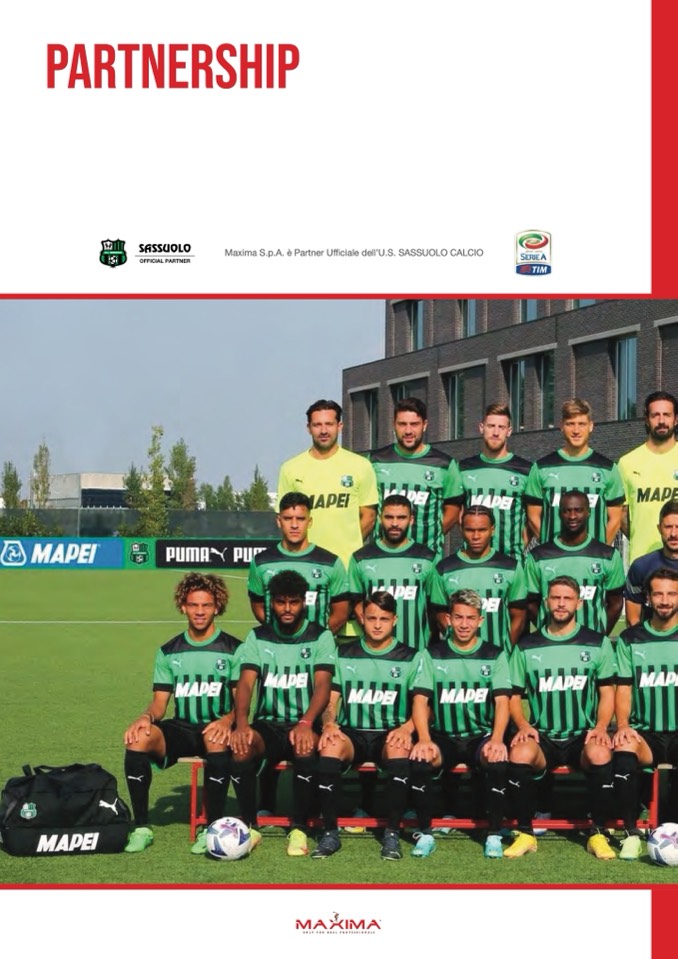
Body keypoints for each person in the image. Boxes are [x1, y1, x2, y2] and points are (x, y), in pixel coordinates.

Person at [122, 572, 247, 854]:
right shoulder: (168, 651)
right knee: (138, 739)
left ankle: (211, 828)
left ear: (217, 607)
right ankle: (141, 827)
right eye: (193, 605)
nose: (200, 611)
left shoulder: (234, 649)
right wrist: (145, 718)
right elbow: (159, 704)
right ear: (183, 607)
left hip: (216, 728)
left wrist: (227, 721)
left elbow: (241, 702)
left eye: (206, 605)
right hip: (181, 728)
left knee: (215, 738)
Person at [312, 591, 433, 861]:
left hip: (390, 732)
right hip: (352, 733)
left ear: (395, 620)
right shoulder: (344, 653)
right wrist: (329, 724)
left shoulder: (411, 656)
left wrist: (407, 728)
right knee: (329, 747)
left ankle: (392, 833)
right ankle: (330, 832)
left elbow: (425, 705)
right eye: (371, 618)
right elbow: (331, 699)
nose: (377, 625)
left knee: (399, 750)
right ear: (362, 619)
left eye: (384, 619)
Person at [504, 576, 619, 859]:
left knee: (601, 753)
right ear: (546, 602)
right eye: (555, 598)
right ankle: (526, 833)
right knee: (519, 753)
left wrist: (601, 727)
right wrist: (523, 725)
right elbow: (513, 695)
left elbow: (607, 692)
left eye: (567, 598)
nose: (561, 604)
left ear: (579, 603)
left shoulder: (597, 643)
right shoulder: (527, 646)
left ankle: (597, 833)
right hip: (543, 734)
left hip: (582, 734)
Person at [230, 570, 336, 857]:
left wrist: (306, 722)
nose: (287, 608)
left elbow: (323, 686)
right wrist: (242, 724)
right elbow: (245, 684)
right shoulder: (258, 636)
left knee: (305, 746)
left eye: (293, 602)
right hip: (268, 724)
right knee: (241, 747)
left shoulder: (320, 636)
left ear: (304, 602)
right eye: (280, 602)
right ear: (271, 603)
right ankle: (249, 826)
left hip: (303, 722)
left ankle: (299, 828)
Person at [411, 589, 512, 858]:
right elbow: (420, 701)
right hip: (443, 736)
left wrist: (497, 739)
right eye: (458, 617)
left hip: (481, 735)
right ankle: (425, 832)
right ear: (448, 619)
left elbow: (502, 702)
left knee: (497, 760)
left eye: (470, 618)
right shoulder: (432, 654)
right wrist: (424, 739)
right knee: (420, 759)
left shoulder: (494, 655)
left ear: (480, 620)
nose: (464, 624)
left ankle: (493, 833)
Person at [612, 568, 678, 861]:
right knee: (623, 746)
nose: (665, 600)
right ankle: (630, 833)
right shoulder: (631, 638)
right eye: (658, 594)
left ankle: (672, 826)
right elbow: (624, 689)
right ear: (648, 598)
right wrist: (623, 725)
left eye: (672, 593)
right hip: (645, 733)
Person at [277, 399, 378, 569]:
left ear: (340, 426)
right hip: (306, 564)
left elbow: (369, 516)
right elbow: (286, 519)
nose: (323, 431)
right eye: (317, 425)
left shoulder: (361, 466)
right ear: (308, 428)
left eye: (329, 424)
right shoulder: (290, 469)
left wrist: (348, 547)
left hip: (346, 565)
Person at [369, 397, 465, 560]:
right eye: (402, 424)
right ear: (394, 425)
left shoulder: (444, 464)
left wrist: (432, 534)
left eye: (414, 424)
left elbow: (453, 509)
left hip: (427, 558)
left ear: (424, 425)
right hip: (382, 557)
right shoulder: (375, 461)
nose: (408, 431)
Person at [248, 491, 350, 635]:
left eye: (300, 519)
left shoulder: (331, 563)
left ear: (310, 522)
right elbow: (258, 606)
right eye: (288, 518)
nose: (294, 525)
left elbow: (341, 613)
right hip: (276, 645)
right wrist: (281, 635)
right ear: (279, 521)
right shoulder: (261, 562)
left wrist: (318, 639)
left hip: (317, 647)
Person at [524, 398, 624, 545]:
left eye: (582, 424)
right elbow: (533, 516)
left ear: (591, 426)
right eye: (570, 424)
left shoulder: (608, 469)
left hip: (593, 557)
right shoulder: (541, 468)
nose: (576, 430)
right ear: (562, 427)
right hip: (553, 556)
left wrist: (600, 551)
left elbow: (615, 519)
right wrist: (550, 548)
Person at [524, 490, 625, 635]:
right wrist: (549, 633)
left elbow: (616, 603)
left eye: (578, 510)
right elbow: (530, 603)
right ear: (560, 513)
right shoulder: (538, 556)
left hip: (591, 643)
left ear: (588, 512)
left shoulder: (608, 555)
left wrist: (598, 637)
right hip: (551, 642)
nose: (572, 516)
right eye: (567, 511)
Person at [431, 504, 528, 651]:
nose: (476, 536)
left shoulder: (511, 567)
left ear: (492, 530)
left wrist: (505, 651)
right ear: (461, 530)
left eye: (482, 530)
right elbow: (440, 615)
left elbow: (519, 616)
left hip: (497, 657)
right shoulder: (444, 569)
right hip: (458, 656)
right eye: (470, 530)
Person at [348, 494, 438, 650]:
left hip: (415, 651)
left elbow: (435, 608)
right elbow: (356, 603)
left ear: (411, 520)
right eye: (389, 517)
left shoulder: (428, 558)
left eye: (401, 518)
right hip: (373, 652)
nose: (395, 523)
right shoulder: (361, 558)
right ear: (380, 519)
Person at [458, 403, 531, 560]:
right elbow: (457, 513)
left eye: (501, 427)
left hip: (512, 561)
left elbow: (533, 517)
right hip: (473, 562)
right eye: (491, 426)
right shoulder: (463, 469)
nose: (496, 432)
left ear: (509, 431)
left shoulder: (526, 470)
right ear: (481, 428)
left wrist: (518, 546)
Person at [618, 390, 678, 563]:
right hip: (643, 561)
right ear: (646, 420)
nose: (661, 421)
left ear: (676, 419)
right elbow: (621, 516)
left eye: (666, 415)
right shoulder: (627, 463)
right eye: (655, 415)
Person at [623, 498, 678, 626]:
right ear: (659, 528)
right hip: (651, 637)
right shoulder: (641, 567)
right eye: (668, 527)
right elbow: (633, 619)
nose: (673, 533)